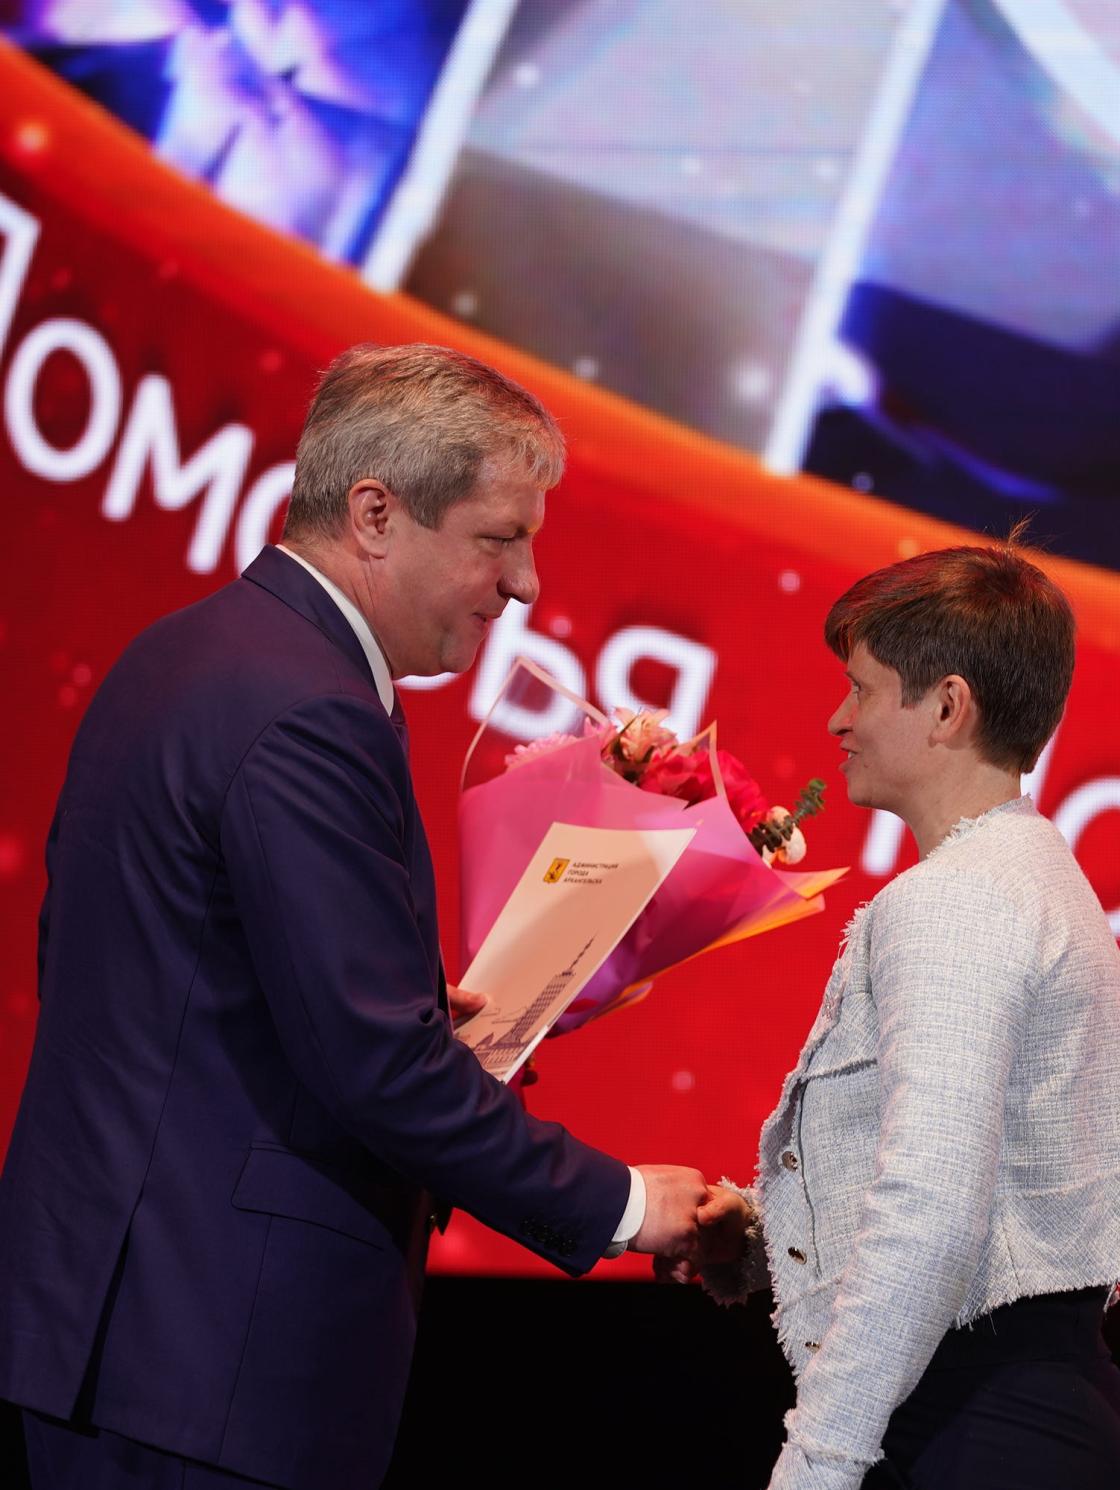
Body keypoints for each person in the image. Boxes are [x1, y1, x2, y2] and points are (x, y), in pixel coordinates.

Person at [0, 343, 711, 1490]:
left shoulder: (183, 653)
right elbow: (376, 1069)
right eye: (499, 537)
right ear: (374, 513)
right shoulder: (308, 710)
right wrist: (627, 1204)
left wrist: (416, 1011)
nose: (527, 583)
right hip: (206, 1353)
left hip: (127, 1333)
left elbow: (177, 974)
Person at [666, 536, 1120, 1488]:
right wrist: (765, 1236)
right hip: (1025, 1414)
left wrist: (818, 1462)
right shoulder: (1038, 874)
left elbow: (934, 1210)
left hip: (965, 1426)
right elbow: (995, 1194)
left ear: (948, 707)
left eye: (862, 689)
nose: (838, 719)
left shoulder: (956, 899)